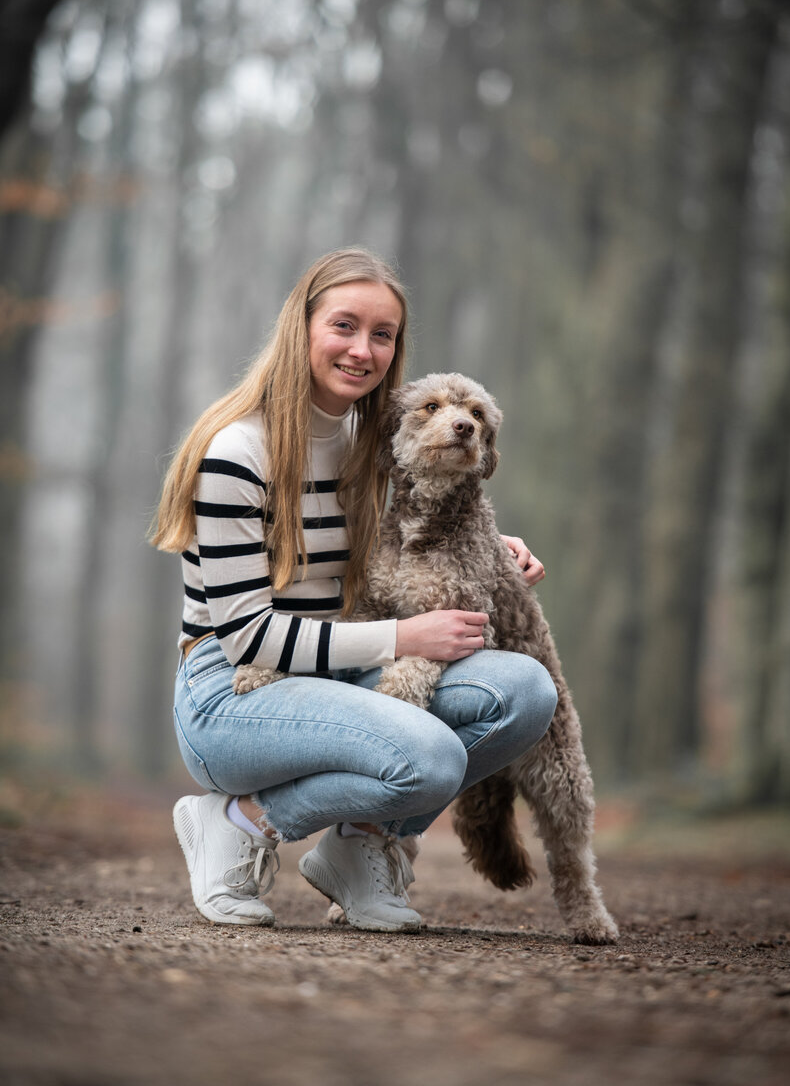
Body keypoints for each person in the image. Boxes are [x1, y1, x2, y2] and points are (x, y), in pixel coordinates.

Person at [152, 247, 557, 932]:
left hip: (341, 672)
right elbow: (249, 638)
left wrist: (490, 548)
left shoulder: (373, 444)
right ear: (302, 328)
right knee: (431, 758)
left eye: (382, 334)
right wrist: (404, 637)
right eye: (344, 325)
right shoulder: (235, 453)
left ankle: (359, 842)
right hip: (233, 694)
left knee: (526, 691)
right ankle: (239, 820)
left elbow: (412, 532)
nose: (362, 350)